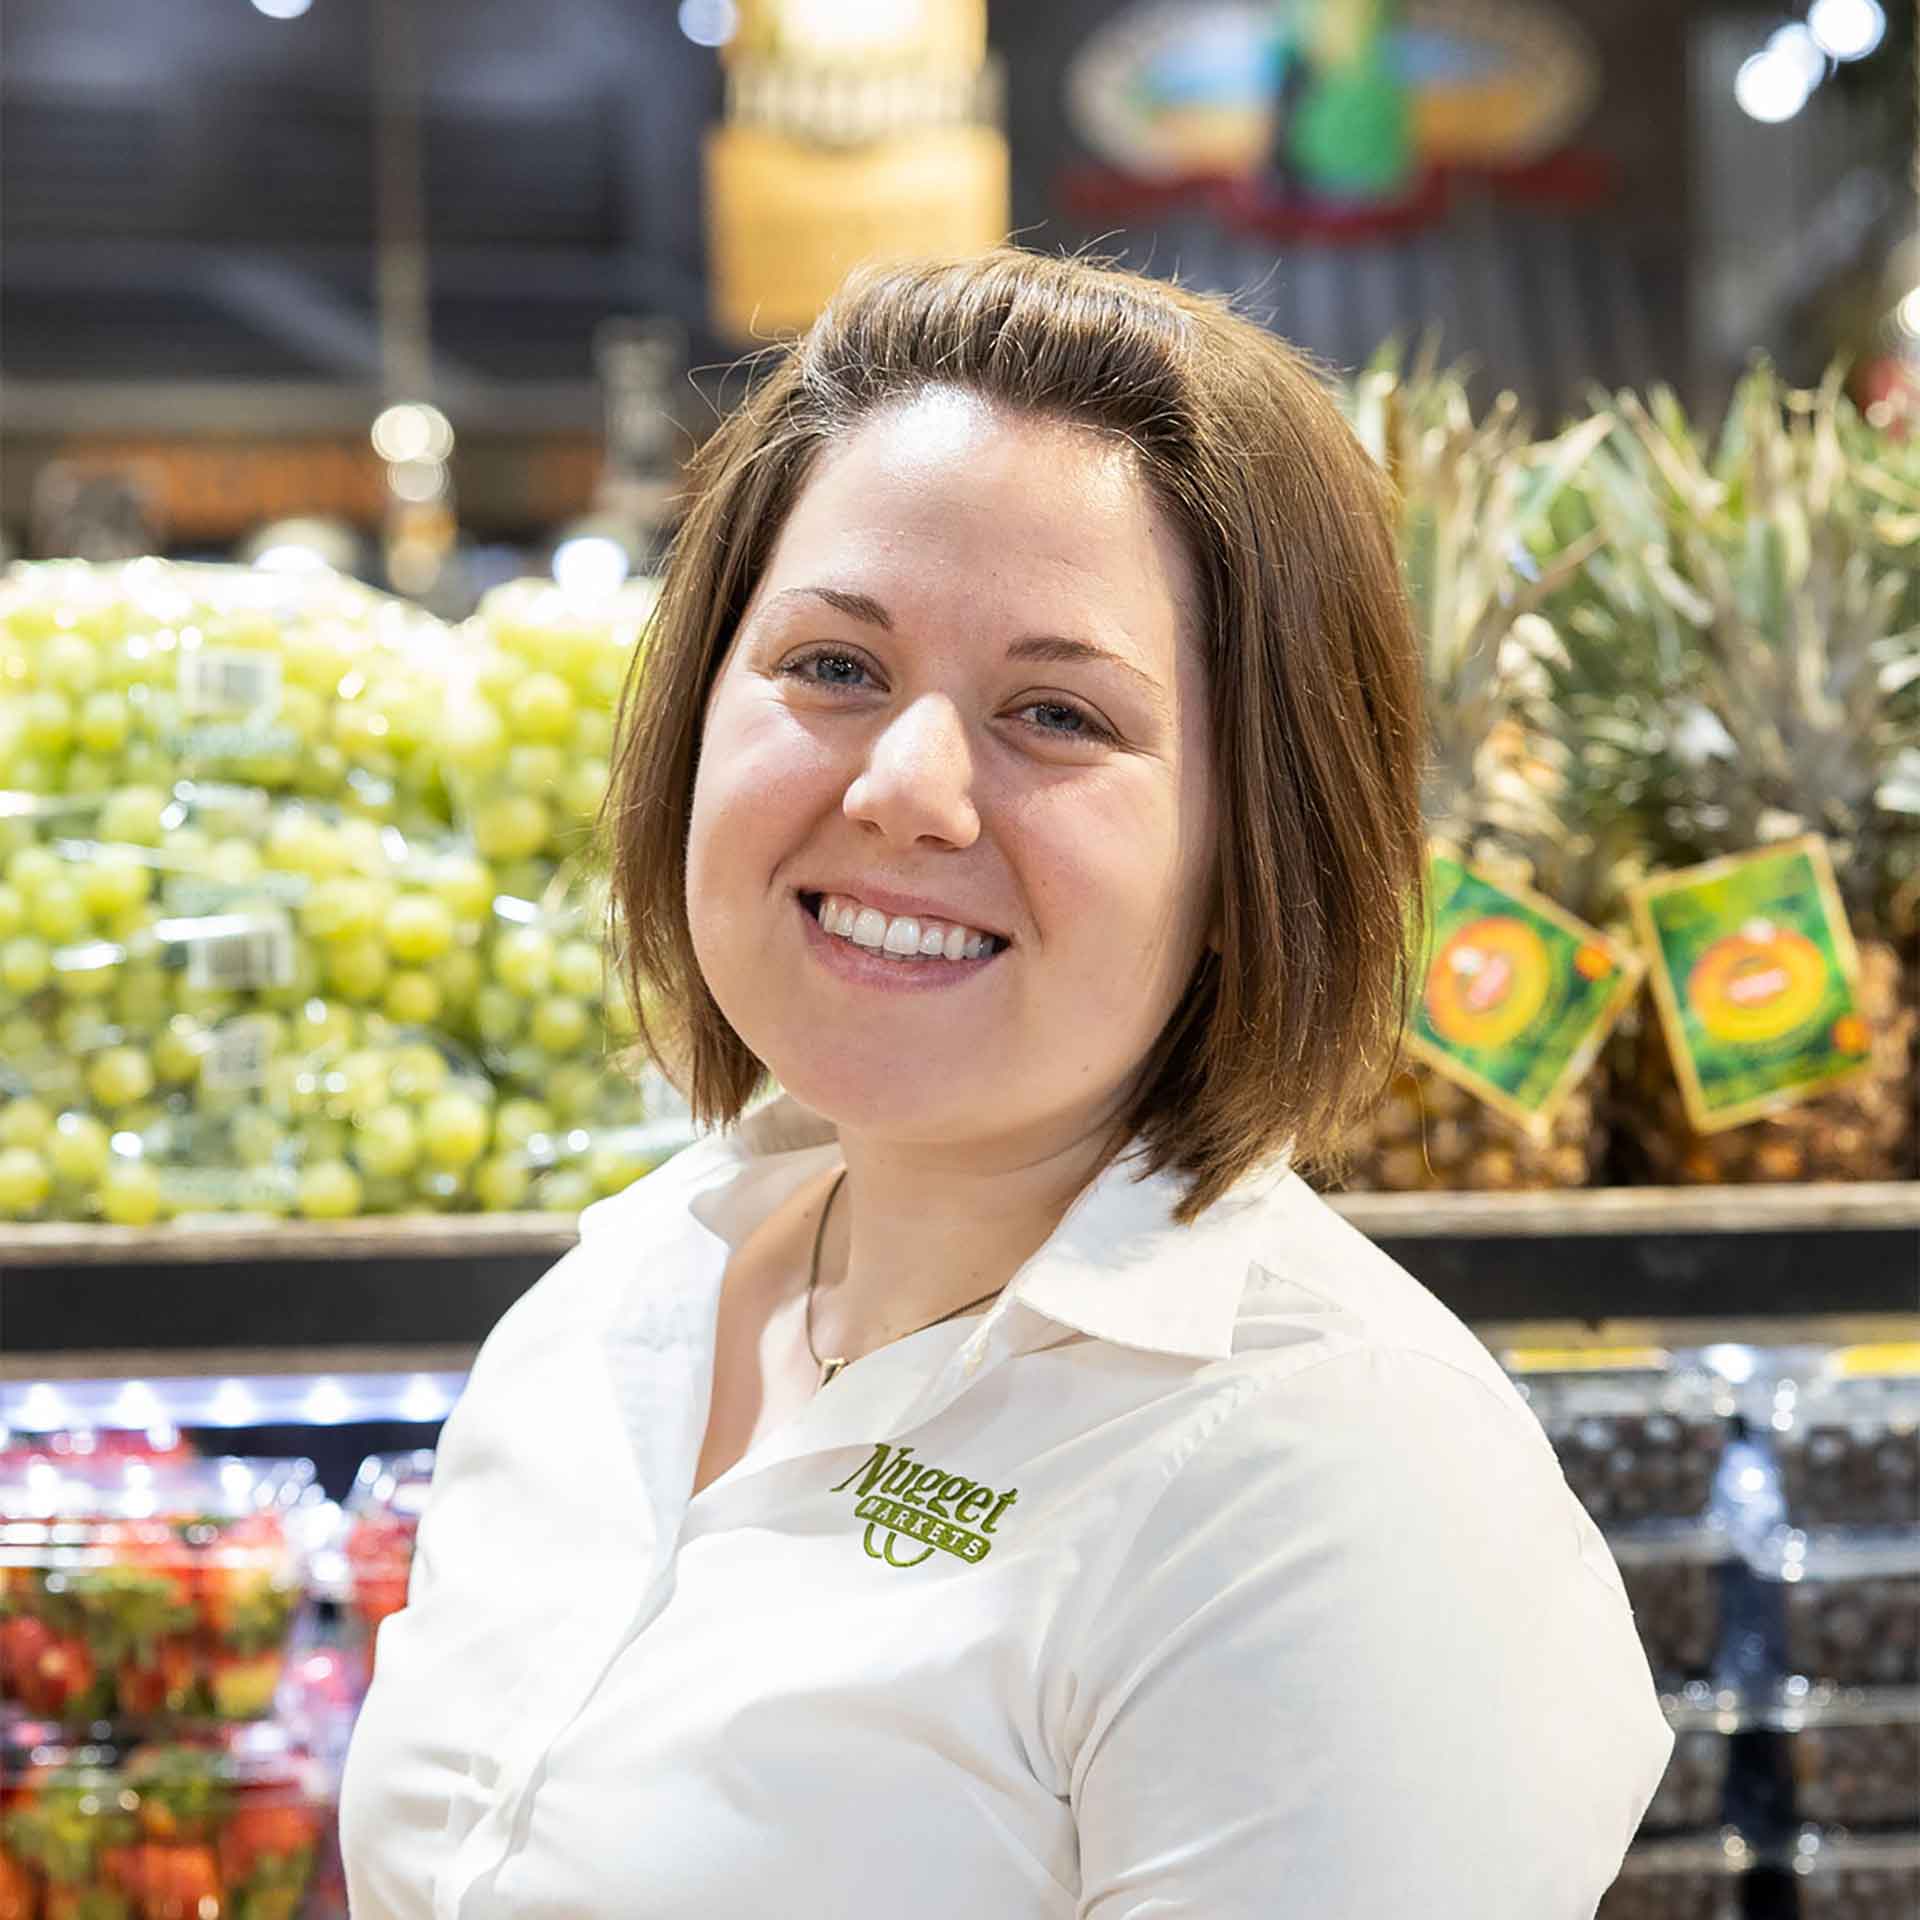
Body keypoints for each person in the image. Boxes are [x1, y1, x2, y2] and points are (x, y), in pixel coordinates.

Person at [339, 247, 1673, 1918]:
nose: (908, 788)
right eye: (833, 667)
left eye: (1056, 713)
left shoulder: (1335, 1491)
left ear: (1258, 844)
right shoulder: (618, 1302)